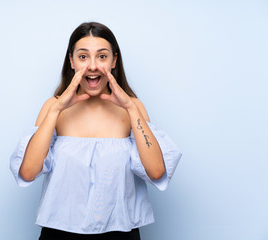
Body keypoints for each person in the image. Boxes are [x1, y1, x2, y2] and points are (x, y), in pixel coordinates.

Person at [10, 22, 182, 240]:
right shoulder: (52, 107)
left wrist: (130, 107)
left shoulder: (133, 108)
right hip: (59, 232)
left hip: (120, 232)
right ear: (71, 61)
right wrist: (56, 109)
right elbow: (28, 172)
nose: (92, 66)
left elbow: (156, 171)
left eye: (102, 56)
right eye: (83, 56)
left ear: (114, 61)